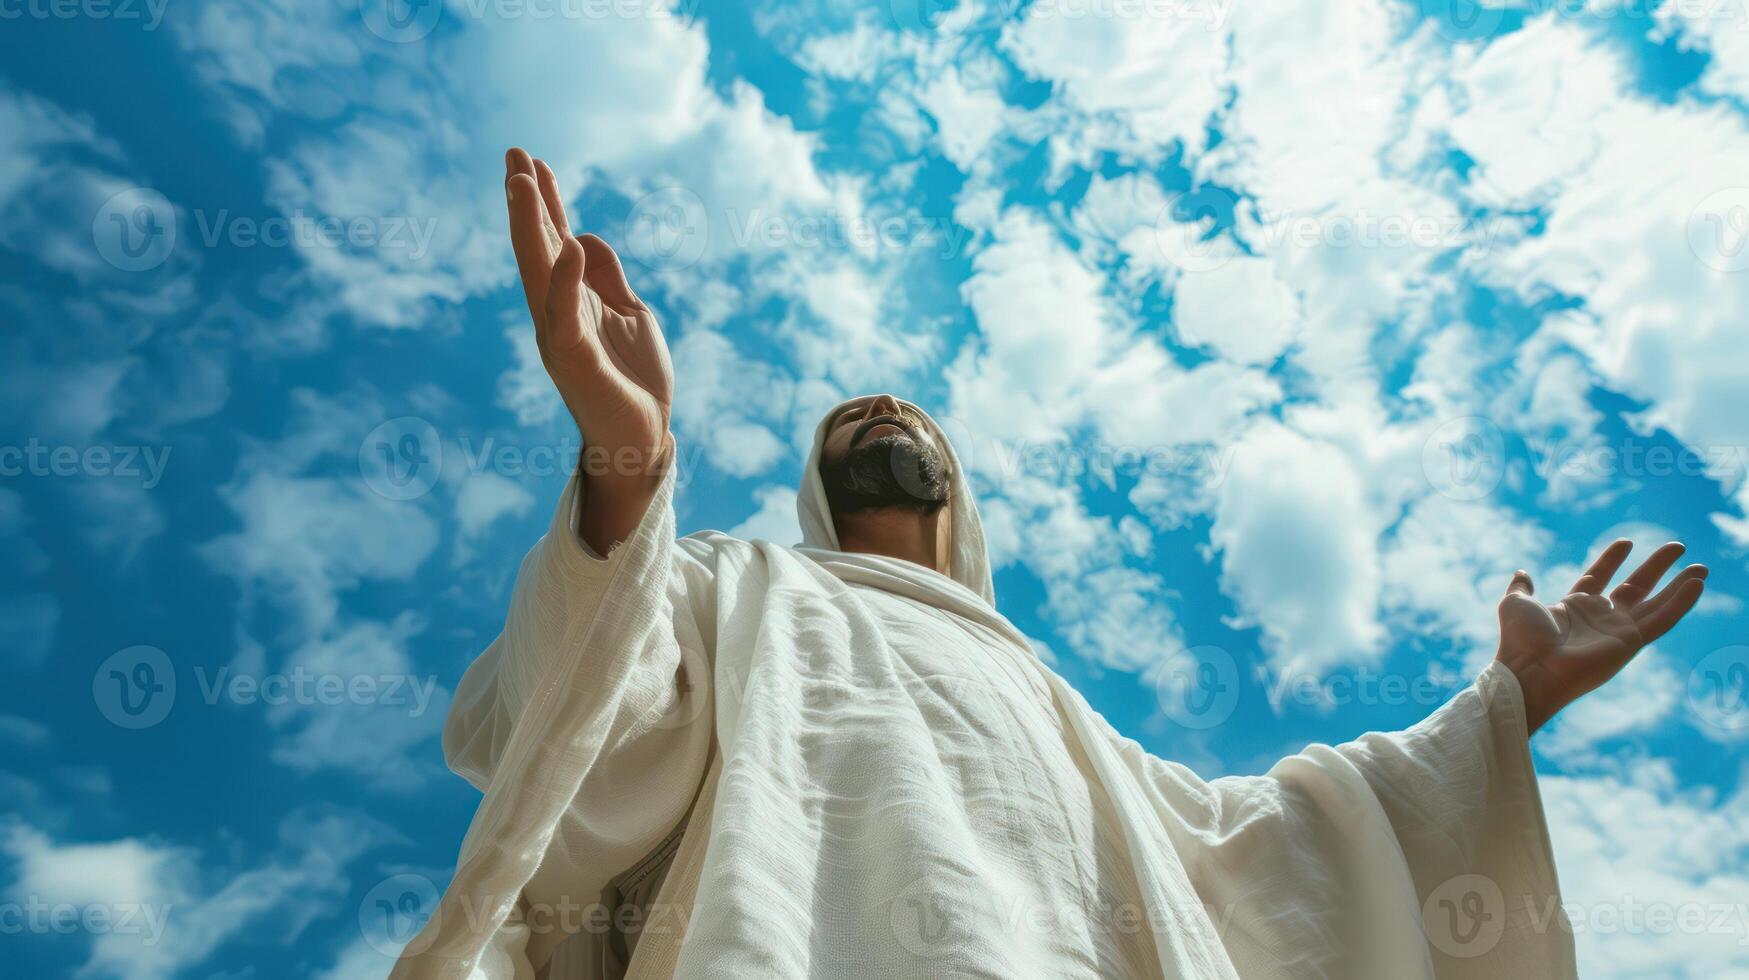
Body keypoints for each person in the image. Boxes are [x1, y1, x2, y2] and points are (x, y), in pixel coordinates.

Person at [390, 149, 1709, 980]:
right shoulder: (736, 587)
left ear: (956, 496)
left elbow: (1264, 849)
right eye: (849, 427)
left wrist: (1506, 705)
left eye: (906, 422)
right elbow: (571, 712)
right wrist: (626, 460)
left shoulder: (1054, 705)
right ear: (814, 490)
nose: (881, 423)